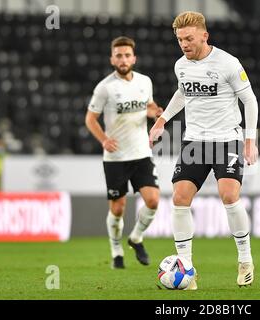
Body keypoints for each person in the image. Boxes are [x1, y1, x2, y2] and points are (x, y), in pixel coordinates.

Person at [149, 12, 259, 289]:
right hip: (195, 141)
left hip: (227, 140)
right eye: (179, 39)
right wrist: (162, 120)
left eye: (188, 38)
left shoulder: (228, 64)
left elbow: (250, 100)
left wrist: (249, 140)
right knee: (180, 196)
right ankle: (187, 268)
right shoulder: (181, 66)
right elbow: (183, 93)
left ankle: (245, 259)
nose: (184, 44)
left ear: (204, 36)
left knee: (229, 194)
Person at [85, 36, 164, 269]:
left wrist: (154, 112)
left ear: (134, 58)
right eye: (118, 55)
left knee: (153, 200)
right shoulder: (105, 88)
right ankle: (117, 251)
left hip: (141, 153)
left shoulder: (144, 82)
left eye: (127, 55)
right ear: (112, 59)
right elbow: (90, 119)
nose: (123, 59)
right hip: (116, 158)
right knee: (118, 209)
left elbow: (148, 106)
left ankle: (136, 237)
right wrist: (104, 139)